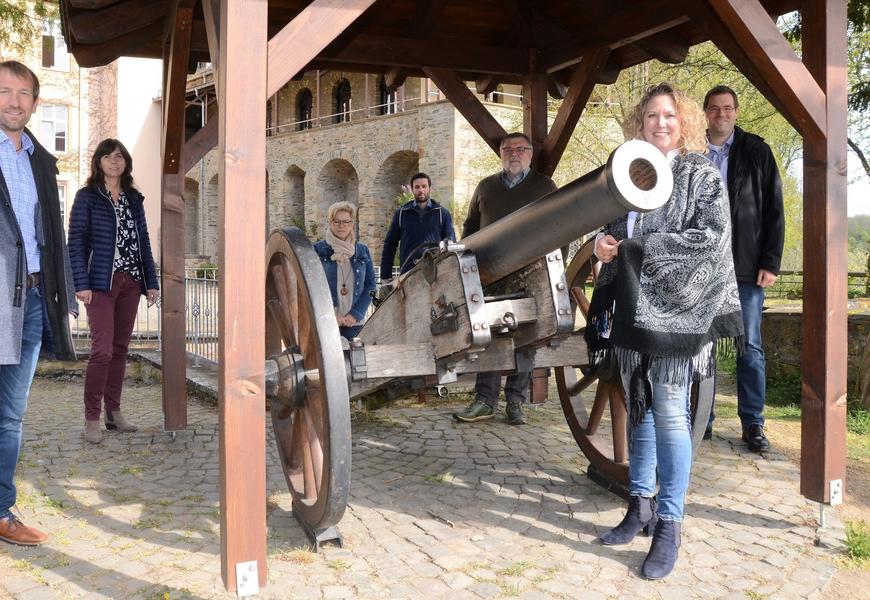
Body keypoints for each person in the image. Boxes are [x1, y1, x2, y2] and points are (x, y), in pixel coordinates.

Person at [587, 83, 743, 579]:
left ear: (685, 121)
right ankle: (640, 506)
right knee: (640, 408)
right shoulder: (632, 171)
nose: (661, 123)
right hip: (637, 311)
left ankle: (670, 523)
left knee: (672, 412)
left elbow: (711, 237)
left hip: (682, 311)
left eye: (670, 115)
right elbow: (611, 227)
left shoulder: (700, 173)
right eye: (652, 115)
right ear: (641, 122)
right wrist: (603, 246)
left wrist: (632, 247)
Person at [0, 60, 77, 545]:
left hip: (28, 299)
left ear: (35, 102)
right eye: (5, 91)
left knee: (11, 412)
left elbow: (52, 233)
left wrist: (63, 292)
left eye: (23, 93)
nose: (13, 101)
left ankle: (1, 510)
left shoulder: (40, 161)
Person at [453, 132, 558, 426]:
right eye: (507, 149)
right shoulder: (486, 186)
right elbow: (471, 225)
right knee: (487, 335)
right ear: (500, 153)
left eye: (521, 149)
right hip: (489, 272)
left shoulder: (545, 186)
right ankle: (484, 400)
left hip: (530, 274)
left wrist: (553, 269)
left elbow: (559, 227)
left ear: (530, 154)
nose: (514, 153)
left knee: (525, 338)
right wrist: (466, 261)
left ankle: (515, 401)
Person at [703, 85, 784, 453]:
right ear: (706, 113)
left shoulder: (757, 152)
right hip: (700, 266)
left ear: (736, 112)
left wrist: (770, 260)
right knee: (700, 345)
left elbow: (774, 210)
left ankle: (753, 423)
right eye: (715, 109)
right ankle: (700, 415)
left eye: (727, 108)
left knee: (748, 347)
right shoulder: (690, 152)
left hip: (746, 267)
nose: (721, 115)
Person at [67, 139, 159, 445]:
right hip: (100, 284)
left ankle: (114, 413)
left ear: (126, 162)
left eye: (119, 157)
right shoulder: (87, 197)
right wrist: (81, 282)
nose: (114, 161)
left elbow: (143, 240)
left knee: (120, 350)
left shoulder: (134, 198)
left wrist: (151, 281)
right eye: (108, 157)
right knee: (102, 351)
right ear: (99, 162)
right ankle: (92, 418)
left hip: (130, 282)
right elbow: (76, 241)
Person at [314, 201, 376, 339]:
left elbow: (371, 285)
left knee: (356, 360)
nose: (341, 226)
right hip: (326, 322)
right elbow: (313, 287)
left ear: (352, 224)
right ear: (330, 222)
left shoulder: (362, 250)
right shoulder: (318, 250)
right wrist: (331, 313)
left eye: (346, 222)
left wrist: (356, 314)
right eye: (337, 221)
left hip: (354, 323)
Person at [379, 172, 455, 281]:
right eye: (417, 187)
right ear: (413, 190)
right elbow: (390, 245)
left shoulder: (442, 214)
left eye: (424, 186)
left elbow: (450, 244)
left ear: (430, 189)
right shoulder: (401, 214)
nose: (421, 190)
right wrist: (385, 277)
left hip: (435, 274)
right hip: (408, 275)